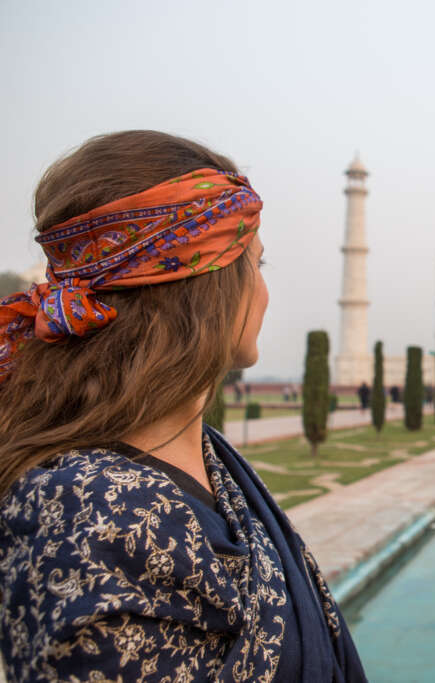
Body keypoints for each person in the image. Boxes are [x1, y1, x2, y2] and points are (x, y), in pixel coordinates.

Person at [0, 131, 366, 682]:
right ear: (207, 283)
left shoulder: (200, 455)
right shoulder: (95, 518)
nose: (265, 294)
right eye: (256, 266)